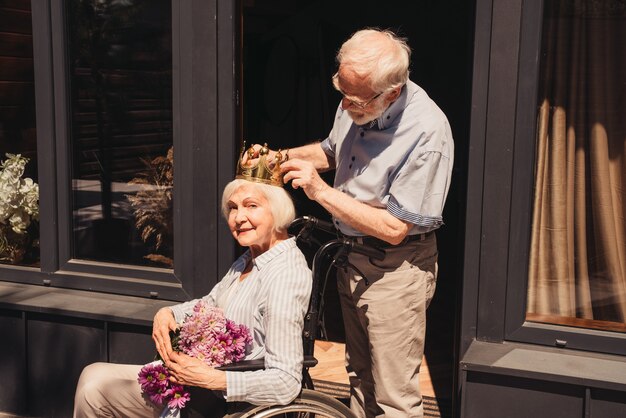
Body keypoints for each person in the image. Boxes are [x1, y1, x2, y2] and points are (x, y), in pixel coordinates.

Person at [250, 28, 454, 417]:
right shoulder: (357, 99)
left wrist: (320, 192)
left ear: (391, 93)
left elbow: (396, 229)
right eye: (340, 92)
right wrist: (275, 159)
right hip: (353, 258)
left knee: (394, 395)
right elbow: (331, 151)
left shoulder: (428, 133)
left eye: (355, 100)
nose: (345, 105)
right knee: (360, 378)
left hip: (396, 269)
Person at [73, 176, 312, 418]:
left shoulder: (285, 275)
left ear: (278, 208)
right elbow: (210, 304)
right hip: (198, 386)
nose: (238, 218)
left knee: (95, 392)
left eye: (251, 206)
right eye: (232, 208)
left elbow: (286, 381)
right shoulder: (248, 260)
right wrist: (169, 313)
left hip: (226, 401)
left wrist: (214, 379)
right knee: (92, 374)